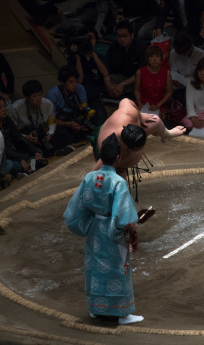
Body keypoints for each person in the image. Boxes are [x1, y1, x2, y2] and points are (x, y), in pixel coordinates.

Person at [64, 132, 144, 325]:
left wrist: (87, 224)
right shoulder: (118, 182)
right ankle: (122, 314)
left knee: (95, 268)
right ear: (118, 158)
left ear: (101, 156)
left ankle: (95, 309)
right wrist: (127, 228)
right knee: (117, 268)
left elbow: (75, 209)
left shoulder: (90, 177)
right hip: (111, 232)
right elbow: (124, 216)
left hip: (95, 230)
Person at [93, 99, 186, 174]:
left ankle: (167, 134)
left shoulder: (130, 113)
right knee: (119, 186)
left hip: (123, 130)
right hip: (105, 152)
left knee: (155, 120)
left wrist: (140, 115)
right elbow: (95, 175)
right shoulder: (112, 149)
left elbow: (125, 100)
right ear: (129, 149)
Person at [0, 95, 47, 181]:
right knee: (11, 164)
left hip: (14, 152)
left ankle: (27, 170)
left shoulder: (6, 120)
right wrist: (20, 158)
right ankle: (27, 169)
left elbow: (19, 137)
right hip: (1, 157)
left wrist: (35, 152)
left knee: (38, 151)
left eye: (4, 106)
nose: (4, 109)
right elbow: (2, 148)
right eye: (0, 107)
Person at [67, 29, 109, 126]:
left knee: (101, 121)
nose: (89, 41)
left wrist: (93, 55)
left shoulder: (100, 57)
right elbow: (79, 80)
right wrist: (77, 57)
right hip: (77, 98)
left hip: (94, 97)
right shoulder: (73, 58)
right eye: (86, 38)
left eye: (92, 38)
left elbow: (105, 73)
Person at [47, 66, 92, 152]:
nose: (74, 85)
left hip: (76, 117)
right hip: (61, 121)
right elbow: (51, 119)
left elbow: (86, 108)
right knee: (63, 134)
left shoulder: (80, 88)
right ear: (62, 82)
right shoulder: (53, 94)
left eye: (76, 81)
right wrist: (68, 124)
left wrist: (85, 121)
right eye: (71, 82)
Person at [9, 80, 58, 157]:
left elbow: (52, 121)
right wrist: (26, 137)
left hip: (42, 132)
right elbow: (12, 130)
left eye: (40, 95)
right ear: (26, 97)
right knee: (21, 143)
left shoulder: (47, 103)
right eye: (34, 96)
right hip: (24, 134)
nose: (38, 99)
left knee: (65, 135)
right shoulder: (16, 108)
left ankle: (47, 150)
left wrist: (50, 134)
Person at [105, 20, 146, 99]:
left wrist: (123, 84)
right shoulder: (114, 46)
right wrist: (110, 86)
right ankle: (116, 91)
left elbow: (140, 72)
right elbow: (106, 68)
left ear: (132, 35)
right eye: (119, 36)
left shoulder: (140, 47)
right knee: (103, 81)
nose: (122, 39)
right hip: (120, 78)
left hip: (135, 79)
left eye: (125, 36)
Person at [169, 33, 204, 105]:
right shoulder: (174, 53)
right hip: (179, 87)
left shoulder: (202, 55)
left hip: (196, 87)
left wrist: (194, 77)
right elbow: (173, 71)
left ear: (190, 48)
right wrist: (176, 80)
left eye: (184, 53)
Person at [134, 46, 173, 113]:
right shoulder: (140, 72)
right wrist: (139, 102)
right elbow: (137, 90)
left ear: (161, 58)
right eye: (151, 56)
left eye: (157, 56)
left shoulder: (167, 72)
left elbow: (169, 92)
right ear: (147, 59)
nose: (154, 59)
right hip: (143, 104)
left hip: (160, 104)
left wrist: (158, 105)